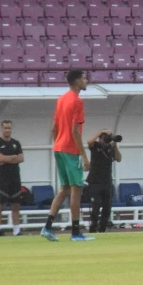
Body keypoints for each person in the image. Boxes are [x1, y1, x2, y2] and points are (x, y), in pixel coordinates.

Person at [41, 70, 93, 241]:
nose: (86, 81)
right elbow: (75, 132)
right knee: (76, 190)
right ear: (78, 81)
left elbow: (54, 127)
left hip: (59, 147)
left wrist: (58, 143)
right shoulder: (77, 101)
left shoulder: (61, 99)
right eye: (84, 78)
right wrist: (84, 156)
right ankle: (76, 232)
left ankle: (47, 227)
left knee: (63, 189)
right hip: (71, 150)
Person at [0, 120, 24, 236]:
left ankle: (16, 230)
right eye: (5, 128)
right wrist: (13, 157)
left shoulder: (16, 143)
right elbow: (0, 158)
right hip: (1, 179)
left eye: (9, 128)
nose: (7, 130)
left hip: (15, 178)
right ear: (1, 129)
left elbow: (21, 158)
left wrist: (7, 159)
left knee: (16, 205)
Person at [86, 129, 122, 233]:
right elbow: (89, 142)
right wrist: (101, 131)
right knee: (96, 207)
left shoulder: (111, 148)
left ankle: (102, 229)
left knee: (107, 208)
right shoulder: (96, 146)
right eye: (105, 137)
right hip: (95, 181)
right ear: (100, 138)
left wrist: (114, 145)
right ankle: (93, 228)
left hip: (107, 182)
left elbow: (118, 158)